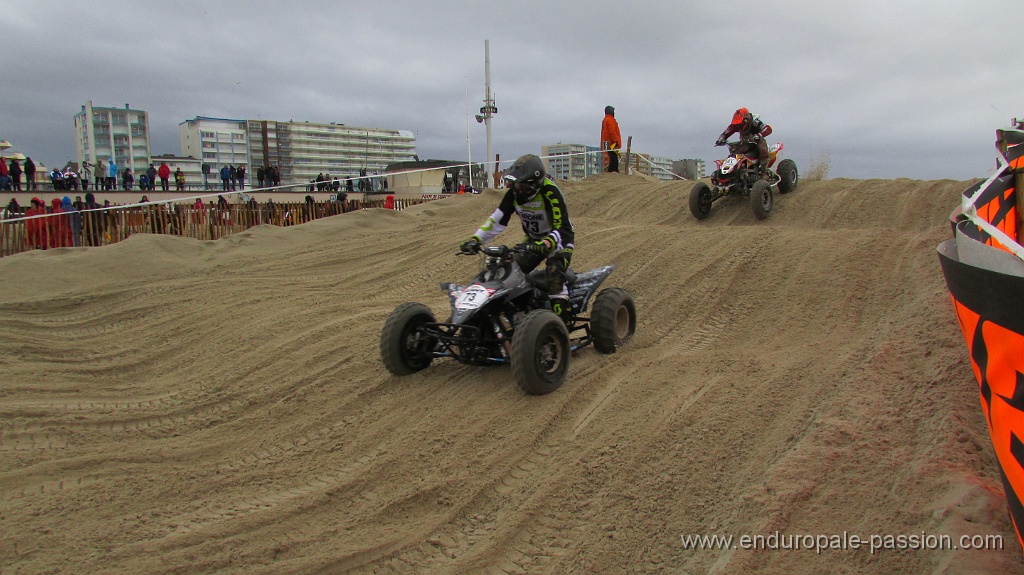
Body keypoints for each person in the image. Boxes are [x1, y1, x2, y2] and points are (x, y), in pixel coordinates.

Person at [460, 154, 576, 323]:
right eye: (516, 184)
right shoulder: (513, 195)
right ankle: (522, 312)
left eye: (522, 185)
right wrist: (476, 239)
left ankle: (561, 326)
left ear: (535, 184)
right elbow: (497, 220)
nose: (518, 189)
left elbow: (562, 227)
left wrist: (547, 243)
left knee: (554, 276)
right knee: (508, 271)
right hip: (534, 239)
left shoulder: (550, 193)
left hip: (560, 240)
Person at [715, 107, 773, 177]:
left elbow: (768, 128)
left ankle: (764, 171)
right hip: (745, 142)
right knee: (734, 152)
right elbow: (727, 131)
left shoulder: (754, 121)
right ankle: (732, 173)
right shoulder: (736, 124)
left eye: (740, 123)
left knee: (762, 148)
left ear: (746, 119)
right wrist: (722, 138)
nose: (739, 125)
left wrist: (759, 135)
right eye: (738, 123)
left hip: (757, 141)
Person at [601, 105, 622, 173]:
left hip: (606, 142)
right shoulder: (610, 120)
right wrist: (616, 141)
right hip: (612, 143)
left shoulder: (605, 120)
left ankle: (610, 171)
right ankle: (613, 171)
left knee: (608, 158)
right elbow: (612, 132)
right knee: (613, 158)